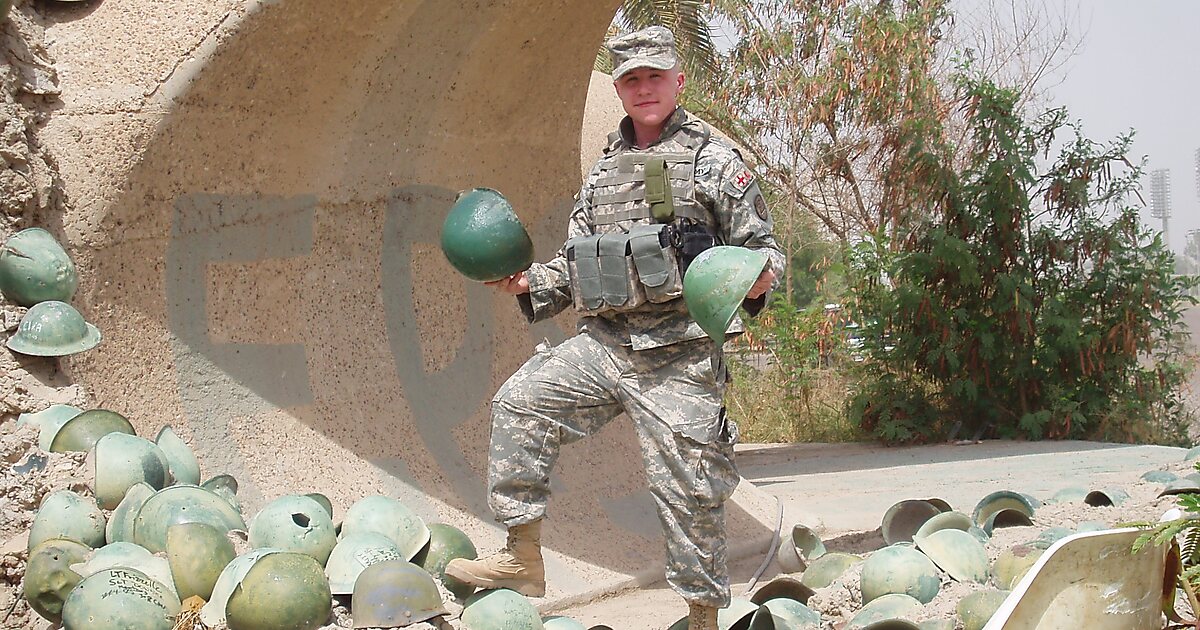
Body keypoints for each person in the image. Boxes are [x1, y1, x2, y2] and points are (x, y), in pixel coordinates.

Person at [445, 26, 785, 628]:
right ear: (621, 89)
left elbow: (764, 253)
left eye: (655, 76)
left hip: (680, 354)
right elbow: (578, 260)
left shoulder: (714, 160)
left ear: (677, 82)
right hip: (607, 345)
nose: (644, 88)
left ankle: (702, 616)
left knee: (688, 487)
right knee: (521, 404)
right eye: (632, 79)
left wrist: (753, 278)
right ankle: (522, 556)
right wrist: (530, 284)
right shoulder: (604, 171)